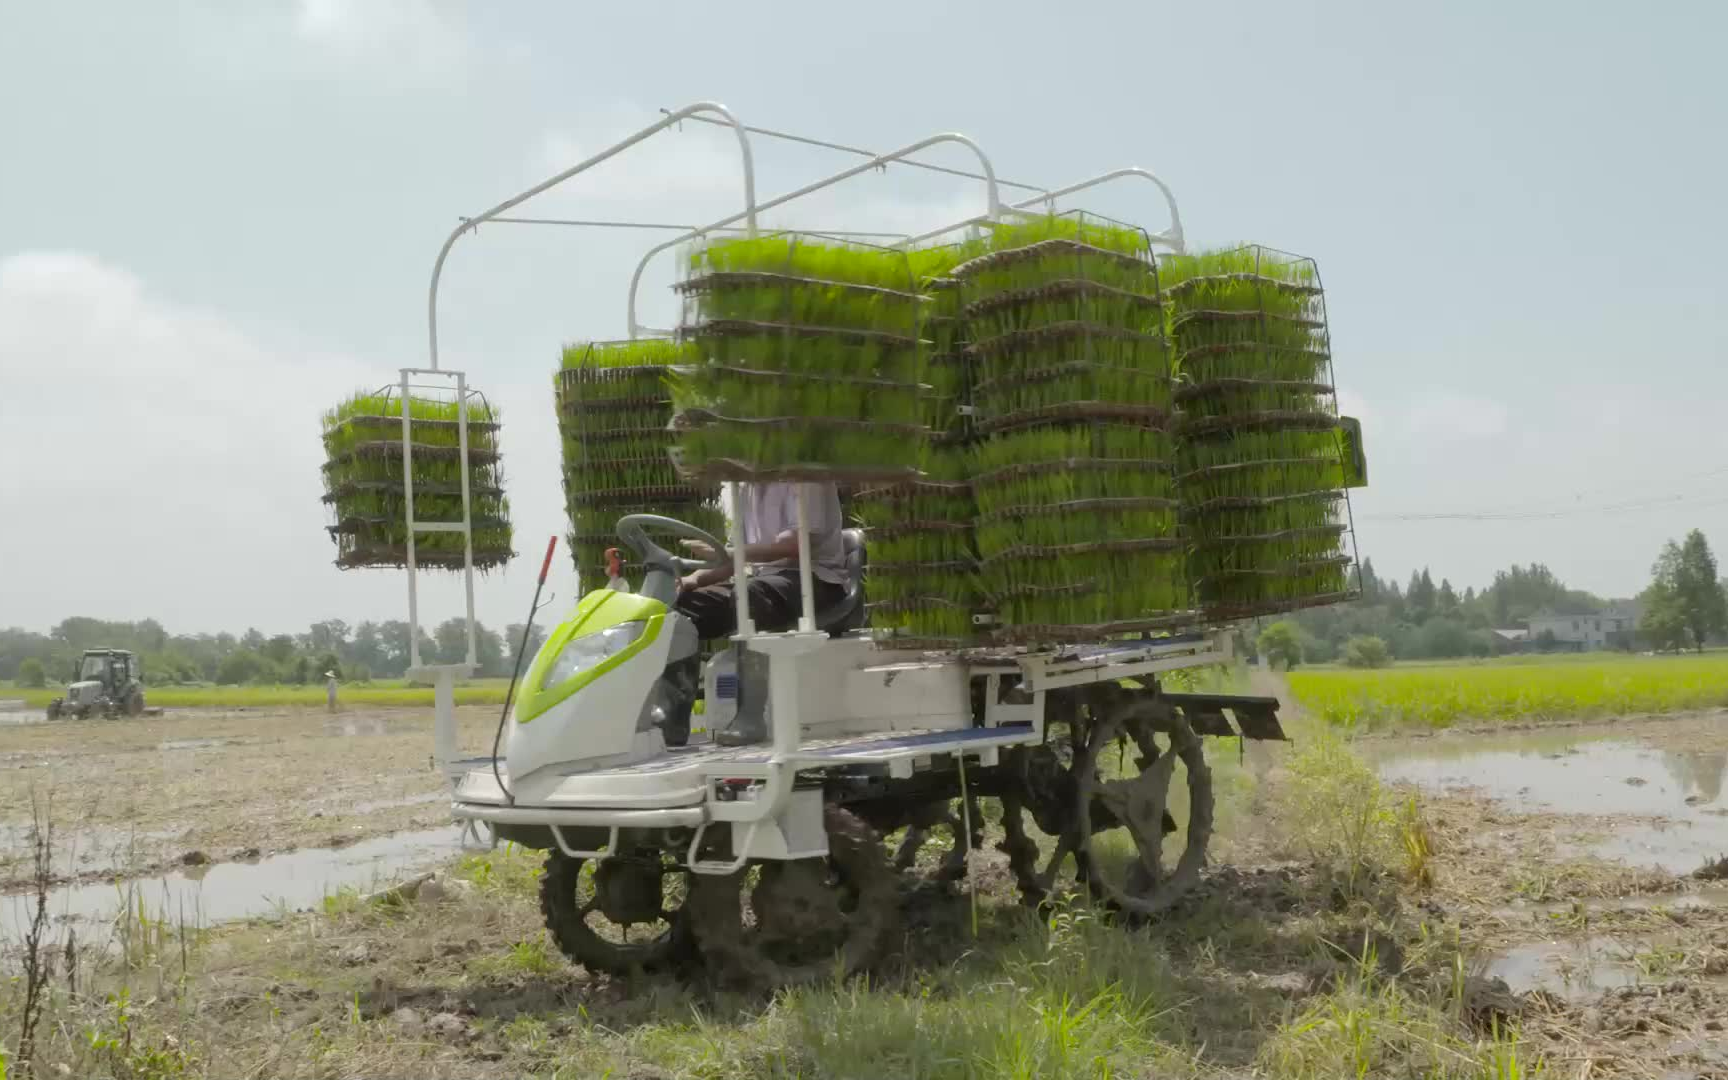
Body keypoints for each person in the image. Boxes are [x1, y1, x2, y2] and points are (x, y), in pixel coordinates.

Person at [674, 481, 847, 639]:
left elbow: (793, 546)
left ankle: (756, 666)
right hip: (763, 583)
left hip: (816, 580)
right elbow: (735, 555)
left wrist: (731, 553)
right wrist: (693, 579)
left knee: (747, 594)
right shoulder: (745, 487)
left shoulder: (805, 477)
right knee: (683, 604)